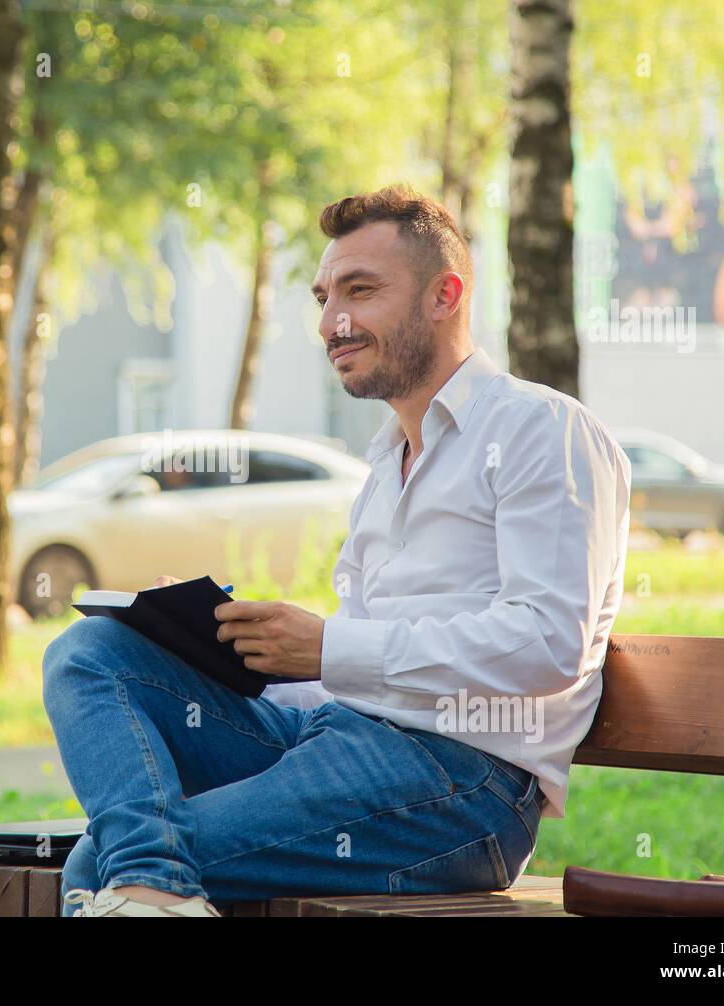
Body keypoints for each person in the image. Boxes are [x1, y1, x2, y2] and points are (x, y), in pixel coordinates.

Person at [42, 184, 632, 917]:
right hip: (334, 737)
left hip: (461, 786)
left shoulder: (542, 431)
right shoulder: (387, 465)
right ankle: (156, 889)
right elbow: (346, 671)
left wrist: (331, 647)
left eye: (360, 291)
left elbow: (550, 644)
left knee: (107, 856)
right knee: (92, 652)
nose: (332, 322)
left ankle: (155, 888)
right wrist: (210, 637)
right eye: (323, 298)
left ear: (444, 295)